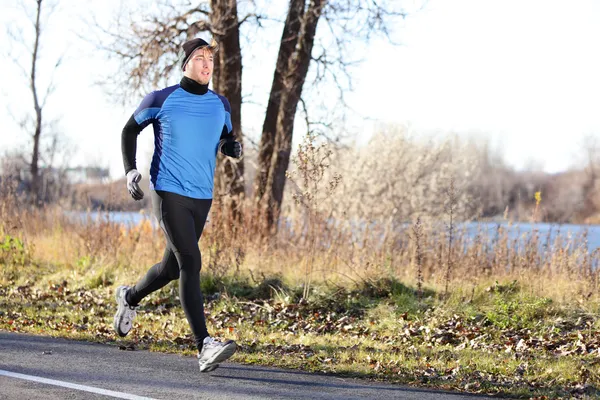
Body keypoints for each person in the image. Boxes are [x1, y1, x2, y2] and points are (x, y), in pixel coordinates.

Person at [113, 37, 242, 373]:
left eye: (210, 58)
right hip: (169, 193)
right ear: (186, 63)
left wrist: (231, 147)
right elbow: (129, 130)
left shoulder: (220, 105)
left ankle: (129, 298)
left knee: (172, 269)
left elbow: (226, 136)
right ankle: (204, 346)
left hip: (203, 196)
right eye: (199, 57)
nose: (207, 64)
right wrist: (130, 171)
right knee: (191, 262)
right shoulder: (162, 99)